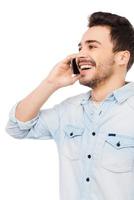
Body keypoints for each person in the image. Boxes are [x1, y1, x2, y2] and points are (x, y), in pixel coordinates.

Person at [6, 11, 134, 200]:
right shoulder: (68, 110)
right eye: (80, 47)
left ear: (122, 58)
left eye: (92, 47)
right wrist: (51, 83)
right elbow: (17, 127)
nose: (80, 55)